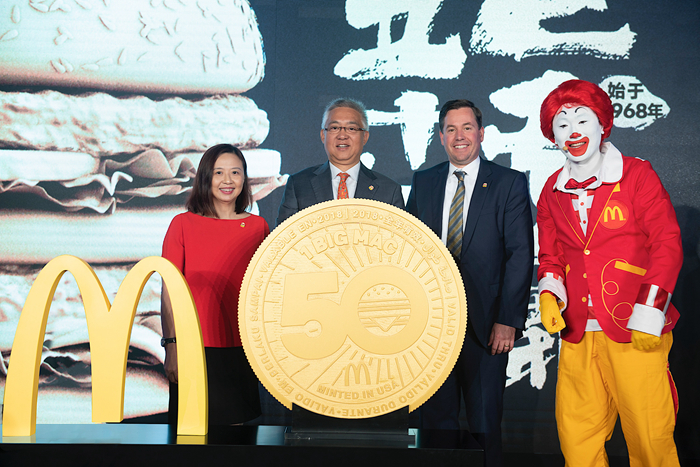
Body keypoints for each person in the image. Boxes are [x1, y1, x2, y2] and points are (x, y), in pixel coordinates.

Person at [537, 79, 682, 466]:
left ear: (602, 124)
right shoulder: (551, 190)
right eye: (562, 125)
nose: (573, 132)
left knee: (650, 439)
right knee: (577, 440)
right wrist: (549, 294)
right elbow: (551, 256)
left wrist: (649, 312)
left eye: (581, 120)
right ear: (553, 137)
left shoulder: (636, 174)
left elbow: (667, 244)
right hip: (578, 334)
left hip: (634, 330)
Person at [406, 99, 534, 467]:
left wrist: (508, 319)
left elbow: (520, 254)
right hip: (432, 327)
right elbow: (410, 248)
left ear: (481, 133)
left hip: (487, 326)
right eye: (451, 129)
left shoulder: (509, 182)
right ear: (440, 136)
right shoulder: (424, 181)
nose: (459, 136)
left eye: (466, 128)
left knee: (485, 424)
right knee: (434, 425)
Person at [160, 143, 267, 425]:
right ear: (206, 177)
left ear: (244, 178)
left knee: (238, 439)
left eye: (235, 172)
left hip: (243, 350)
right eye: (219, 172)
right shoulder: (182, 224)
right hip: (192, 347)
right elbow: (169, 291)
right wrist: (171, 345)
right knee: (190, 435)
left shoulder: (258, 227)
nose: (227, 180)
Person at [276, 97, 405, 226]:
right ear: (323, 135)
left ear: (365, 137)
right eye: (334, 128)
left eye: (351, 128)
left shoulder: (389, 191)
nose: (342, 135)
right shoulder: (299, 185)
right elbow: (284, 236)